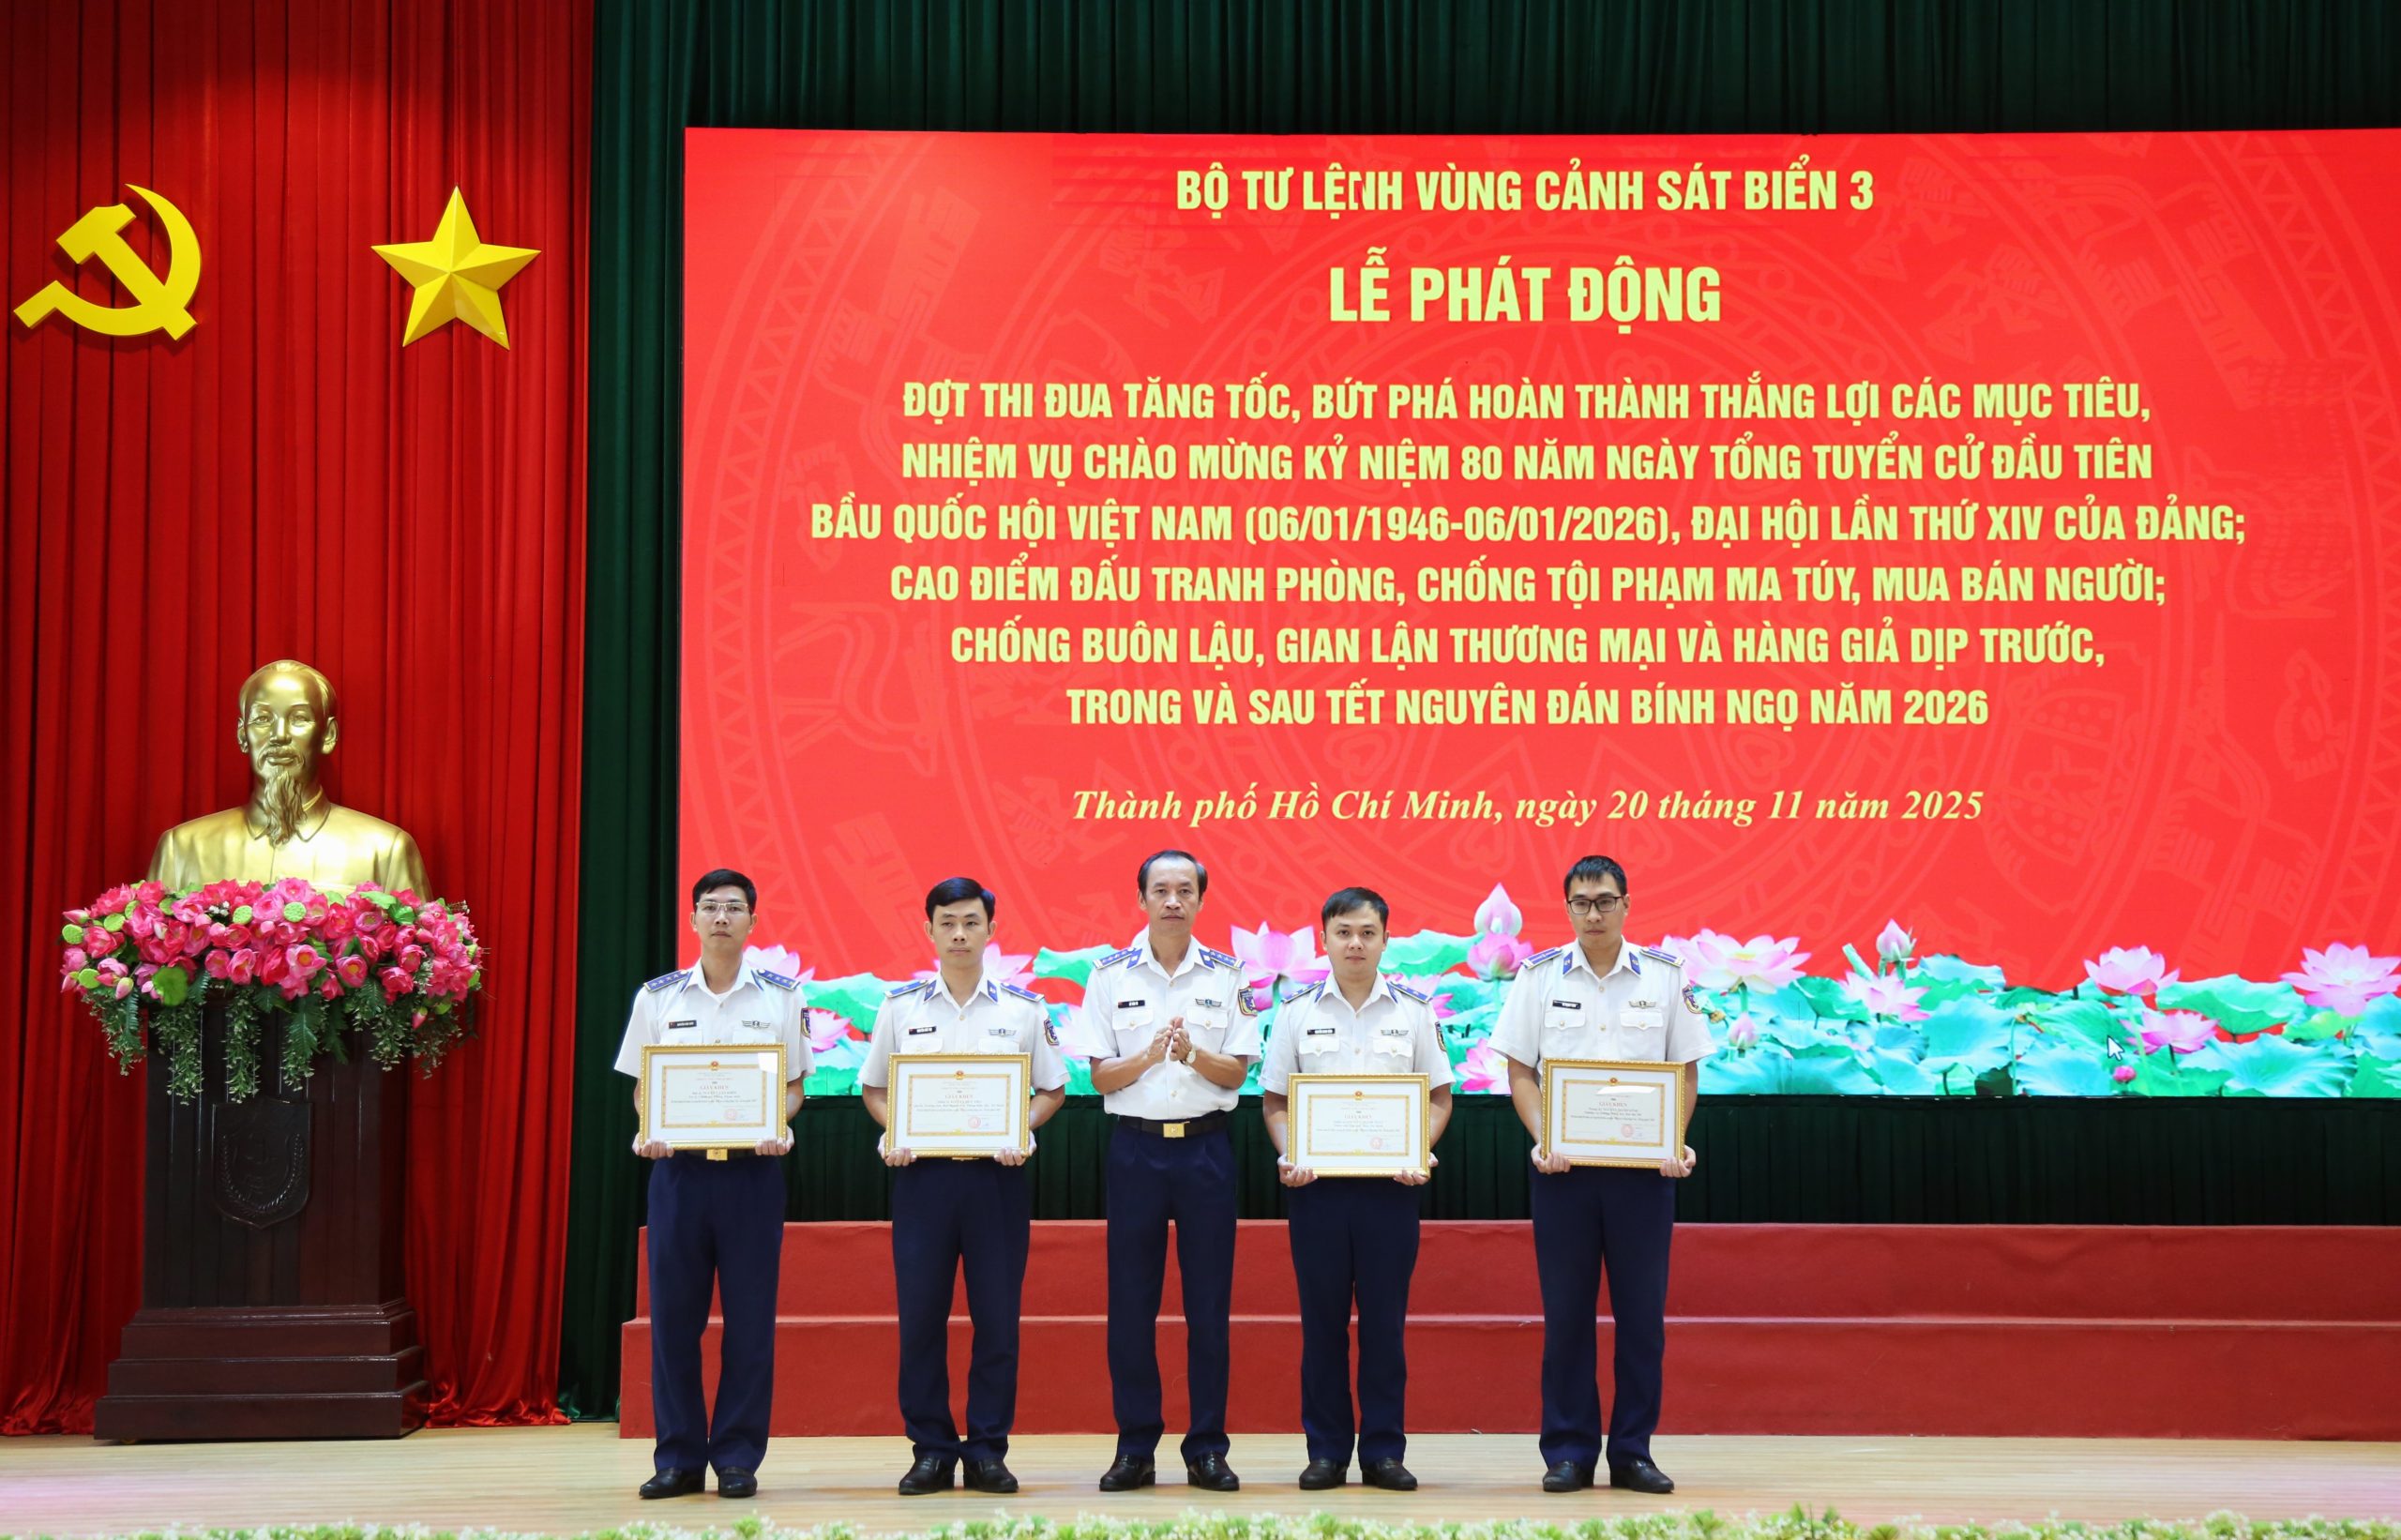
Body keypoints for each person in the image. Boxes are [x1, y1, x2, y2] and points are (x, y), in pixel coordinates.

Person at [1488, 855, 1709, 1496]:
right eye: (1581, 903)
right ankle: (1569, 1452)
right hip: (1564, 1175)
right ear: (1567, 908)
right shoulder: (1538, 976)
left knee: (1642, 1321)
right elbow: (1520, 1070)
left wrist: (1673, 1140)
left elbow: (1685, 1070)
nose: (1593, 913)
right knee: (1566, 1319)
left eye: (1605, 901)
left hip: (1644, 1176)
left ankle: (1633, 1452)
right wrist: (1545, 1138)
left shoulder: (1666, 977)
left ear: (1626, 905)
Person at [860, 876, 1069, 1496]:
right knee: (921, 1320)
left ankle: (986, 1451)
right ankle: (931, 1450)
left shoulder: (1022, 1009)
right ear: (928, 930)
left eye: (971, 922)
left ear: (990, 930)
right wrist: (895, 1128)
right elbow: (874, 1089)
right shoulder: (900, 1008)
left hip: (994, 1181)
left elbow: (1053, 1089)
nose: (959, 934)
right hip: (922, 1181)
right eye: (947, 922)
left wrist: (1020, 1126)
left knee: (997, 1322)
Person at [613, 868, 809, 1501]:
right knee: (673, 1323)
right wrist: (650, 1126)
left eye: (733, 907)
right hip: (680, 1175)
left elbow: (794, 1087)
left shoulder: (782, 998)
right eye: (710, 907)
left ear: (753, 920)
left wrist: (778, 1122)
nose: (721, 917)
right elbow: (644, 1088)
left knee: (750, 1325)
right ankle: (677, 1458)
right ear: (693, 919)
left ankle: (737, 1458)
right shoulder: (659, 999)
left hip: (753, 1175)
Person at [1066, 850, 1258, 1494]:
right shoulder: (1108, 976)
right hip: (1136, 1151)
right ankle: (1135, 1447)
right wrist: (1150, 1056)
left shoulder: (1230, 976)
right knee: (1131, 1305)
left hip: (1206, 1151)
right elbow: (1100, 1078)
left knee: (1209, 1307)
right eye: (1160, 890)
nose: (1173, 900)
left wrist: (1193, 1054)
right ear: (1141, 899)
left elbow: (1237, 1074)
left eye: (1185, 890)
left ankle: (1207, 1448)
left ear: (1201, 899)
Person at [1259, 887, 1452, 1491]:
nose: (1355, 944)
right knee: (1322, 1327)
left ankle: (1384, 1452)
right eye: (1343, 932)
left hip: (1390, 1191)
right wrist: (1290, 1152)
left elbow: (1439, 1098)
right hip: (1317, 1191)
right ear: (1324, 939)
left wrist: (1418, 1148)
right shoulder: (1295, 1012)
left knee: (1384, 1328)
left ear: (1386, 940)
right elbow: (1275, 1102)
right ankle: (1326, 1452)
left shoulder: (1414, 1011)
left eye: (1368, 933)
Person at [148, 658, 429, 893]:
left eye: (299, 719)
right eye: (262, 719)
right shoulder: (182, 849)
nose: (279, 735)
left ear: (328, 735)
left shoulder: (385, 852)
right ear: (242, 735)